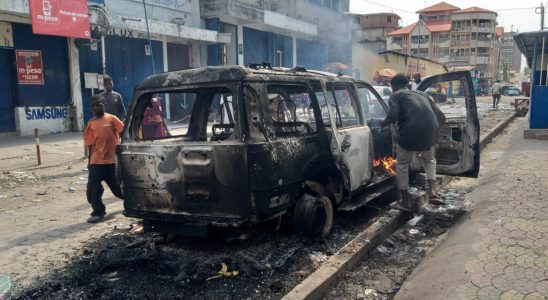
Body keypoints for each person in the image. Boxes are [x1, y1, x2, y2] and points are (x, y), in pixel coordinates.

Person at [380, 74, 445, 213]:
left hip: (410, 130)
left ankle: (405, 202)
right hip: (431, 129)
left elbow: (393, 116)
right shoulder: (422, 94)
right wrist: (432, 131)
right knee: (429, 159)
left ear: (394, 86)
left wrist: (382, 123)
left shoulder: (396, 95)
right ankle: (433, 192)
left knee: (402, 164)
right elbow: (441, 116)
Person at [84, 95, 124, 223]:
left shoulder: (112, 119)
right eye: (93, 106)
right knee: (93, 189)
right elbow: (90, 145)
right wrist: (89, 163)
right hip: (96, 162)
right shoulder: (90, 123)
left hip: (111, 161)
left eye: (98, 105)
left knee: (117, 188)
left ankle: (132, 202)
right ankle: (98, 212)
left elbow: (123, 133)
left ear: (104, 106)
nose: (96, 108)